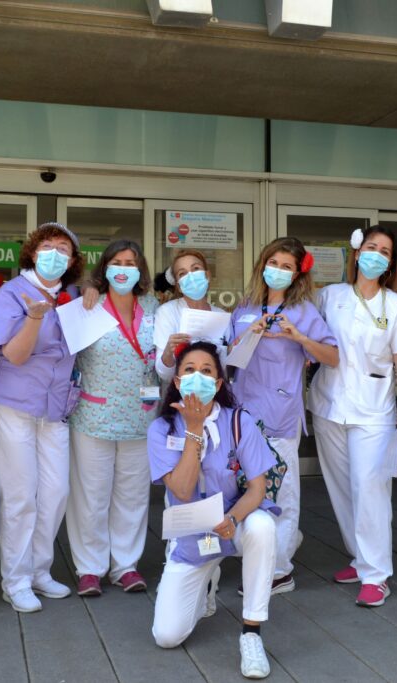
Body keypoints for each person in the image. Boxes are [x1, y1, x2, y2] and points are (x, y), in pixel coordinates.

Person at [149, 341, 278, 680]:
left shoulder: (239, 422)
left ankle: (251, 632)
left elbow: (257, 488)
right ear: (176, 381)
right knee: (167, 636)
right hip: (193, 538)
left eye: (207, 371)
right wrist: (193, 428)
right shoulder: (162, 429)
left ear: (219, 384)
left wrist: (233, 519)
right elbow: (180, 489)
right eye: (189, 370)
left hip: (234, 526)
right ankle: (205, 584)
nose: (198, 377)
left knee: (264, 527)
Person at [308, 226, 397, 607]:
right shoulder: (330, 296)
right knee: (341, 488)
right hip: (328, 406)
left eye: (385, 251)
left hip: (374, 411)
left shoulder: (395, 305)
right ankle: (359, 558)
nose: (376, 255)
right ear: (356, 253)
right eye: (371, 247)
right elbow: (310, 340)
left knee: (371, 488)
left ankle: (376, 574)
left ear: (390, 263)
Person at [230, 236, 338, 595]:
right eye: (273, 263)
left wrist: (300, 339)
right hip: (244, 415)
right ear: (262, 264)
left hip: (281, 415)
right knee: (247, 489)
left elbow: (332, 356)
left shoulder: (304, 312)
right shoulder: (244, 308)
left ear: (297, 274)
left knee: (283, 492)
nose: (277, 271)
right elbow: (231, 361)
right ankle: (261, 553)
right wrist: (249, 333)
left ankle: (279, 570)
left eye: (286, 267)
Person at [0, 222, 83, 613]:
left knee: (56, 492)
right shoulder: (12, 293)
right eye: (48, 246)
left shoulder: (73, 296)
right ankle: (15, 580)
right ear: (31, 251)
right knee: (20, 496)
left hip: (57, 408)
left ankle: (39, 570)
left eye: (64, 248)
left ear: (73, 260)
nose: (55, 253)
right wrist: (33, 318)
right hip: (17, 405)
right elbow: (13, 354)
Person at [66, 239, 159, 596]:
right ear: (105, 268)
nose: (123, 268)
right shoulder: (87, 305)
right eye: (117, 262)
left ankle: (125, 566)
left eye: (131, 262)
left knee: (132, 495)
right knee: (90, 495)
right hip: (93, 415)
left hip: (141, 416)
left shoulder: (154, 307)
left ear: (140, 271)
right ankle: (89, 568)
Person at [154, 249, 231, 386]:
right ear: (178, 285)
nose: (191, 276)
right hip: (179, 396)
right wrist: (168, 352)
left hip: (214, 395)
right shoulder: (167, 312)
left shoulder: (222, 316)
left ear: (207, 275)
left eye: (195, 269)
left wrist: (233, 350)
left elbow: (225, 370)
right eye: (182, 273)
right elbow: (164, 374)